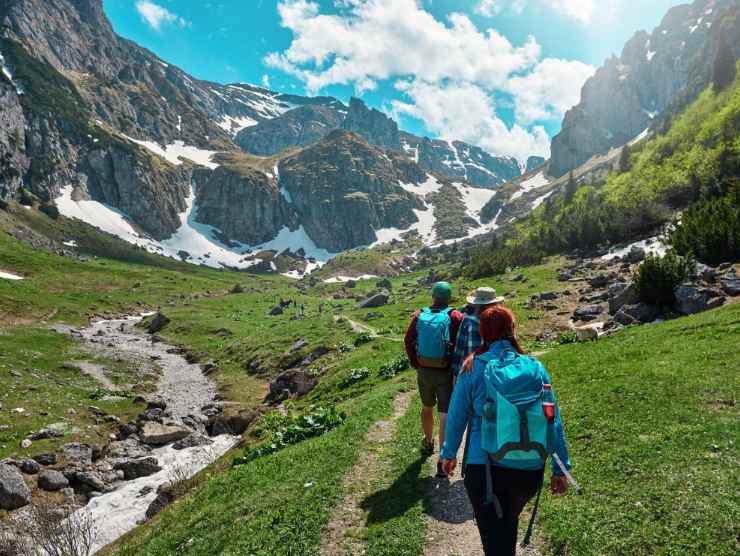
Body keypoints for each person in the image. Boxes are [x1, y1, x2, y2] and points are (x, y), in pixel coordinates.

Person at [440, 306, 571, 556]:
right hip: (528, 469)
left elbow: (456, 415)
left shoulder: (472, 367)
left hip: (484, 467)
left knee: (493, 540)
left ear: (483, 333)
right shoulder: (535, 367)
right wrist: (560, 467)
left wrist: (448, 453)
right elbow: (552, 418)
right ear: (512, 330)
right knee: (508, 526)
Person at [404, 281, 464, 478]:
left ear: (433, 296)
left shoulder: (420, 314)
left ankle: (428, 442)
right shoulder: (454, 316)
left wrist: (416, 363)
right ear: (449, 297)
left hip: (424, 370)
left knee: (426, 407)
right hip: (445, 373)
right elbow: (459, 344)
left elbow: (408, 340)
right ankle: (441, 460)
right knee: (445, 415)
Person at [450, 287, 505, 381]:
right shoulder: (502, 321)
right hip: (497, 373)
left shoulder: (469, 321)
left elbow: (460, 349)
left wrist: (455, 374)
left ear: (476, 305)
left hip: (471, 373)